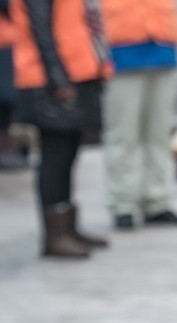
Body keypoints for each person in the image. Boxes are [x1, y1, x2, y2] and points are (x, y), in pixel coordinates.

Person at [9, 0, 111, 259]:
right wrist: (58, 80)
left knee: (68, 153)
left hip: (74, 72)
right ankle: (54, 236)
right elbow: (41, 29)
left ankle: (67, 227)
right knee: (54, 157)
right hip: (51, 79)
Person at [99, 0, 177, 230]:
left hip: (162, 46)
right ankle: (123, 205)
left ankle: (157, 201)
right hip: (118, 50)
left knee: (159, 134)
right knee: (123, 134)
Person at [0, 3, 31, 170]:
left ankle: (7, 150)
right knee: (5, 99)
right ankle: (4, 152)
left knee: (8, 101)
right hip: (4, 39)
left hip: (11, 39)